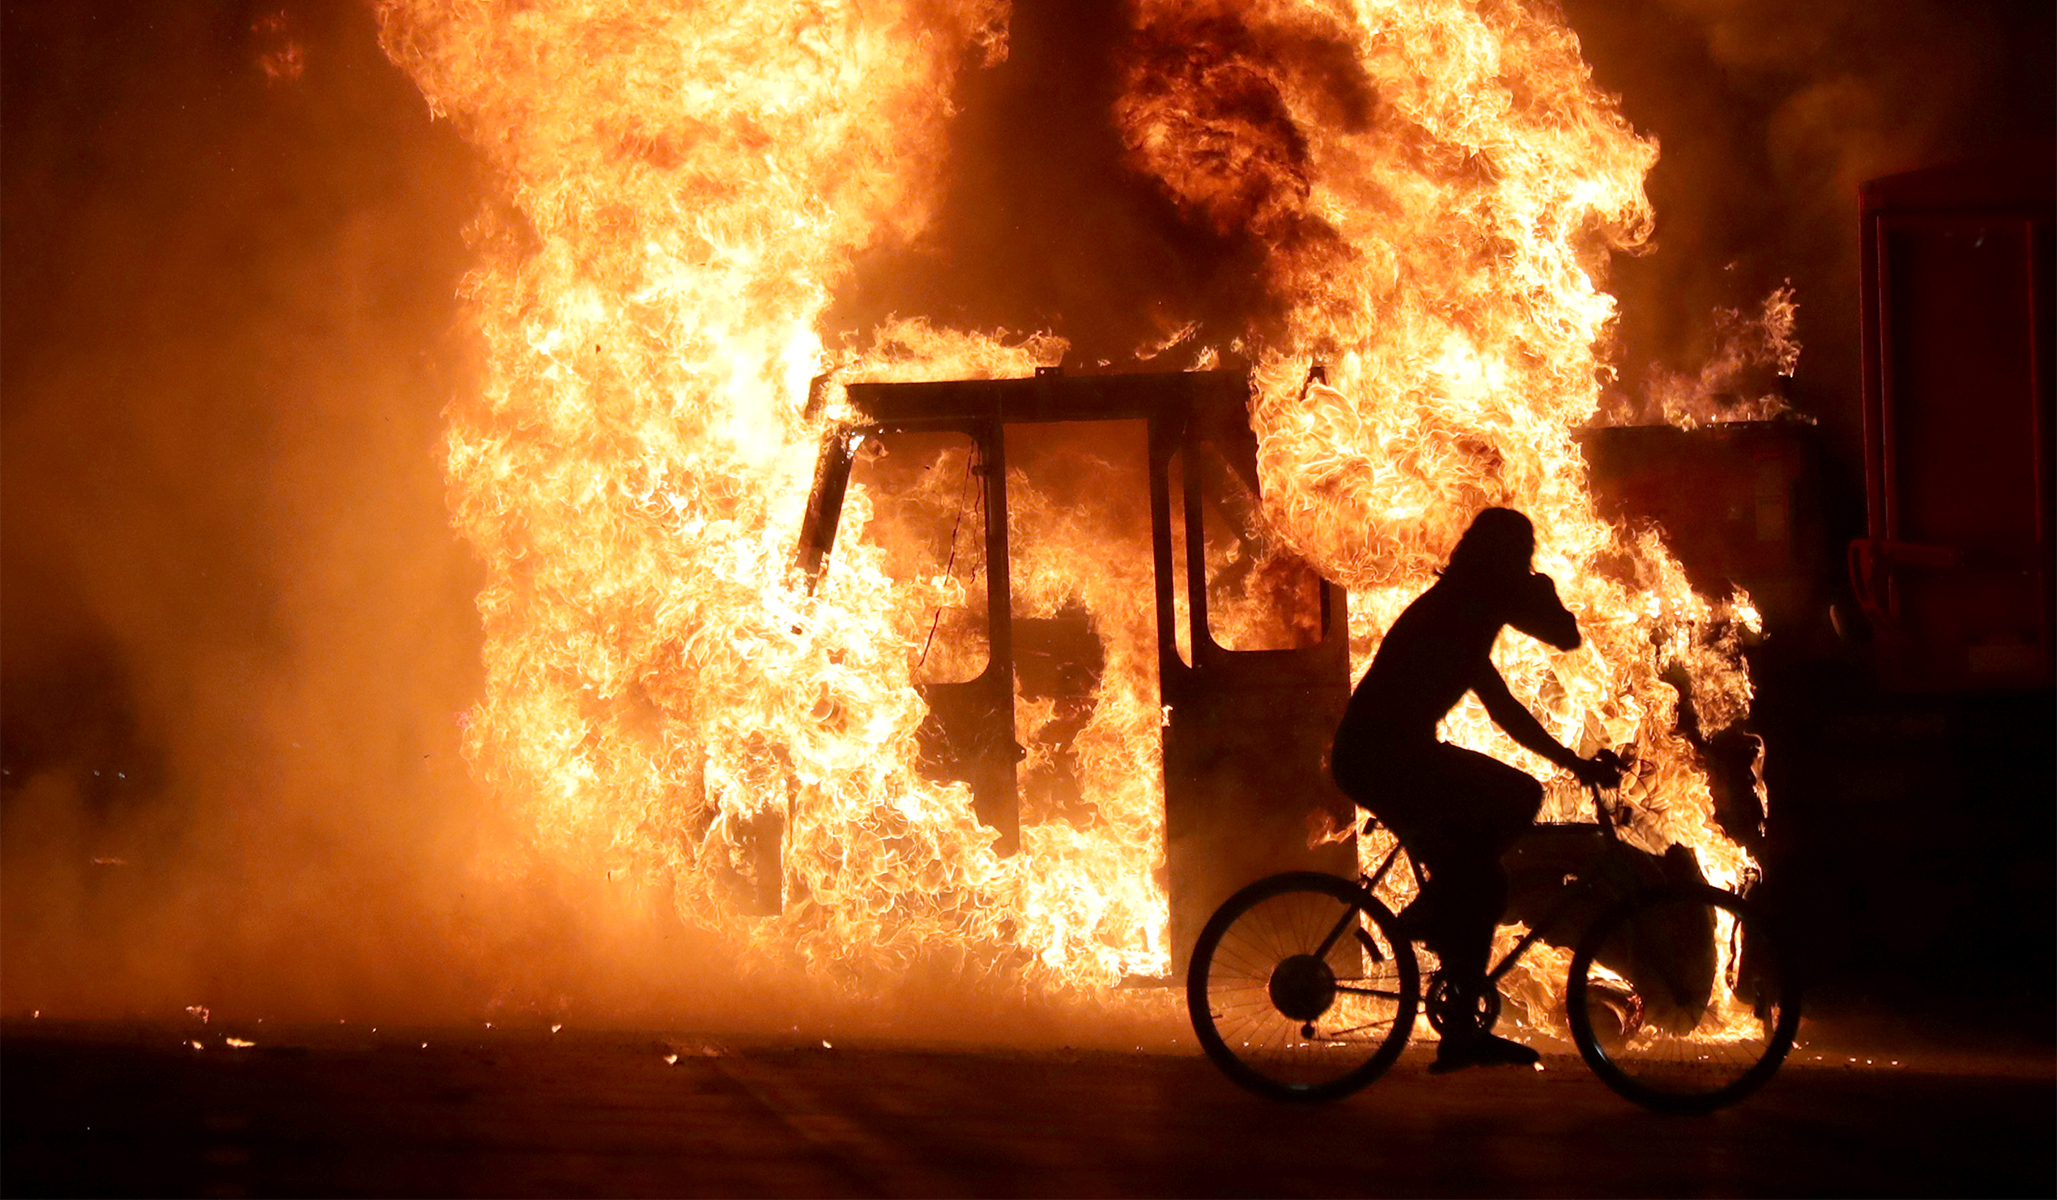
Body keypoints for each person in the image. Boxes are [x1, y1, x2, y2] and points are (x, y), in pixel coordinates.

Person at [1330, 507, 1620, 1072]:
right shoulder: (1467, 608)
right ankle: (1439, 919)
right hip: (1382, 759)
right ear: (1503, 561)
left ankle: (1445, 920)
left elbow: (1506, 702)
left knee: (1481, 873)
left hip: (1392, 755)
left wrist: (1570, 762)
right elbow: (1562, 638)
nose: (1525, 568)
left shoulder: (1464, 606)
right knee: (1495, 847)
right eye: (1522, 557)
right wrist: (1545, 594)